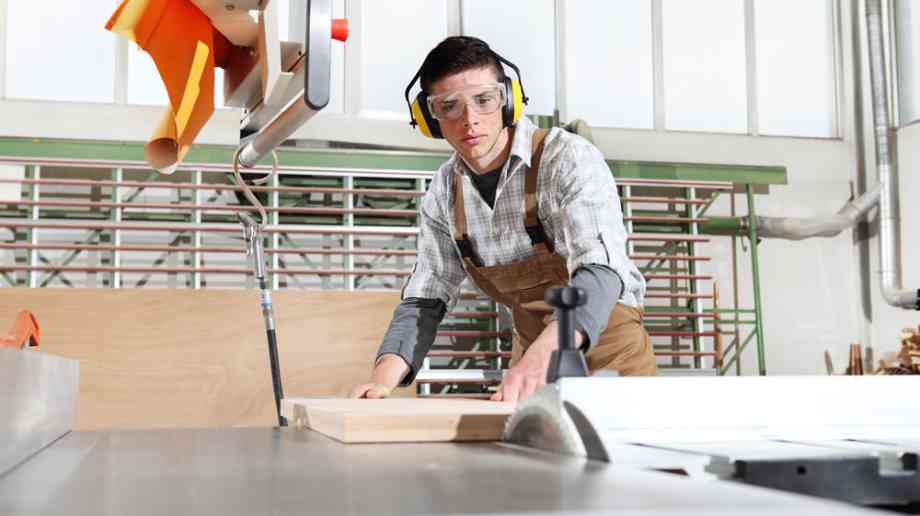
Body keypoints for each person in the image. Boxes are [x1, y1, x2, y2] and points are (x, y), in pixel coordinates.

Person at [350, 36, 656, 404]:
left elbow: (601, 272)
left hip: (609, 353)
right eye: (449, 106)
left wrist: (541, 358)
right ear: (430, 118)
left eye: (484, 100)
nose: (470, 120)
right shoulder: (444, 192)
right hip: (532, 358)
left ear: (508, 100)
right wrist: (382, 380)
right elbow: (425, 298)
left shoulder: (567, 158)